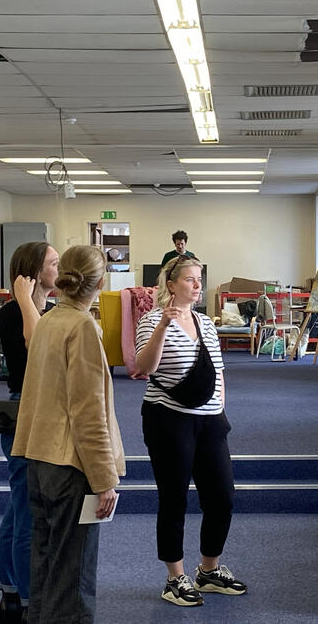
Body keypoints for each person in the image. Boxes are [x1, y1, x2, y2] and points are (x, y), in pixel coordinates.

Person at [12, 245, 125, 624]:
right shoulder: (82, 327)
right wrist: (104, 479)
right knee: (72, 581)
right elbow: (88, 412)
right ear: (101, 283)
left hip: (39, 460)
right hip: (71, 468)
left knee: (45, 570)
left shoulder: (47, 321)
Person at [134, 256, 247, 607]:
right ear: (171, 285)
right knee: (174, 499)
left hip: (210, 421)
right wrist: (163, 326)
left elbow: (218, 370)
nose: (198, 286)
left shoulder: (206, 322)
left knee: (222, 497)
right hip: (169, 419)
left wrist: (219, 408)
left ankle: (208, 570)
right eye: (189, 279)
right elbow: (143, 367)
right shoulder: (151, 320)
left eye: (199, 279)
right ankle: (175, 578)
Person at [0, 242, 58, 624]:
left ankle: (10, 592)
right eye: (53, 263)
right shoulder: (12, 313)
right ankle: (30, 601)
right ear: (33, 271)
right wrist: (23, 297)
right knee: (27, 513)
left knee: (17, 509)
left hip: (44, 412)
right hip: (24, 413)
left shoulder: (50, 310)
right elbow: (35, 356)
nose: (60, 268)